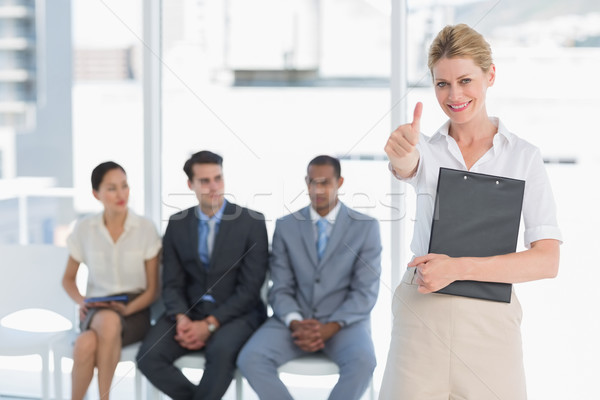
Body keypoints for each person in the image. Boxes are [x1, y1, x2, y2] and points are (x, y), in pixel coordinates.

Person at [379, 24, 562, 399]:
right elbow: (408, 165)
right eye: (442, 84)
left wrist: (458, 267)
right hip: (422, 315)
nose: (454, 94)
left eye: (465, 80)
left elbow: (547, 260)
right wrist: (401, 156)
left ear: (490, 75)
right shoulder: (426, 150)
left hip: (491, 323)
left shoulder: (522, 157)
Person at [237, 155, 382, 400]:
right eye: (313, 182)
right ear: (306, 182)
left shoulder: (366, 227)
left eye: (325, 183)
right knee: (251, 358)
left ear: (340, 182)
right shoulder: (286, 226)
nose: (318, 189)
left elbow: (365, 291)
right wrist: (295, 322)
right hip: (295, 322)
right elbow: (280, 286)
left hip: (344, 324)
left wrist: (331, 327)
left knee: (364, 362)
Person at [136, 150, 269, 400]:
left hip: (237, 315)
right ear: (191, 184)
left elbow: (250, 289)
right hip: (188, 310)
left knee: (220, 351)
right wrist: (182, 319)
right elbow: (172, 283)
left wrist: (210, 325)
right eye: (205, 181)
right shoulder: (178, 223)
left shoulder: (252, 222)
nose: (213, 187)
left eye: (218, 178)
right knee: (148, 356)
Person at [62, 161, 161, 400]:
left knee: (87, 342)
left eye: (124, 186)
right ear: (96, 194)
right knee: (96, 331)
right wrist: (83, 301)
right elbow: (68, 279)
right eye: (112, 188)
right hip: (97, 308)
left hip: (135, 309)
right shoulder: (85, 228)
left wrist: (126, 308)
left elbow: (152, 290)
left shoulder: (146, 228)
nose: (121, 194)